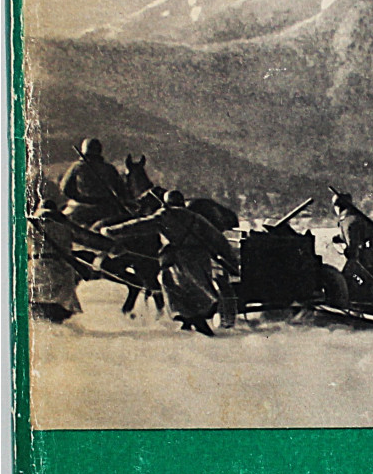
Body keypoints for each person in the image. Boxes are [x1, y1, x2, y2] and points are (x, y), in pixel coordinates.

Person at [101, 190, 239, 335]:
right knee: (197, 289)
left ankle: (196, 323)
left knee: (173, 288)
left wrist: (111, 231)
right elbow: (217, 238)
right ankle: (190, 322)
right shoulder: (195, 217)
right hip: (200, 258)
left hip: (178, 259)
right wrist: (231, 260)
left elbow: (139, 225)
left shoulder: (165, 215)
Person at [27, 197, 113, 323]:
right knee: (64, 308)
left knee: (34, 306)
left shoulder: (29, 225)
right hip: (60, 270)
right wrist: (112, 246)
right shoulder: (64, 224)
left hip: (36, 268)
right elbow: (87, 238)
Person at [60, 138, 127, 228]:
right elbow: (121, 191)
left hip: (81, 209)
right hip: (107, 209)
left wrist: (81, 198)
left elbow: (65, 188)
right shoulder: (109, 168)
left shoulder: (76, 167)